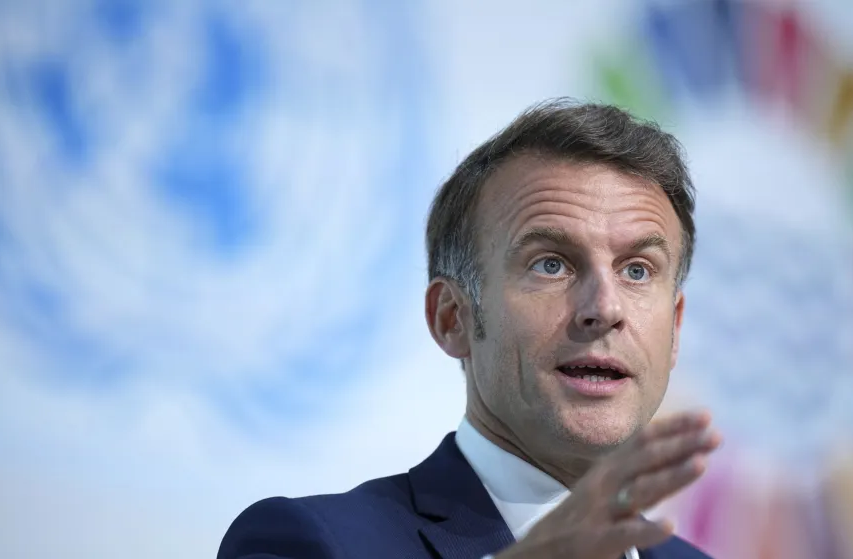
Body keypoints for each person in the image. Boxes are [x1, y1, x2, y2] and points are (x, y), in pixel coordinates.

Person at [217, 99, 722, 559]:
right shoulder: (308, 543)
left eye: (637, 270)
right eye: (551, 264)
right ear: (452, 318)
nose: (605, 307)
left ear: (674, 328)